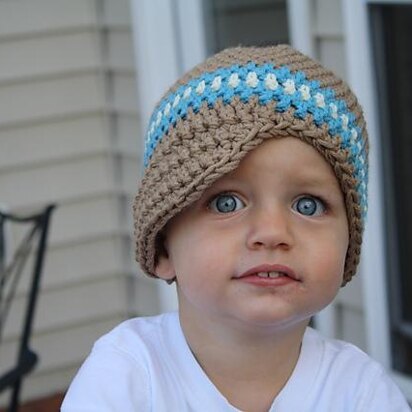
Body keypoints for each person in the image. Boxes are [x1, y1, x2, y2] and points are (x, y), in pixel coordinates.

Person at [61, 45, 411, 411]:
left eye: (307, 205)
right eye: (226, 203)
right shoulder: (126, 377)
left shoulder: (360, 393)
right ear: (163, 247)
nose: (273, 231)